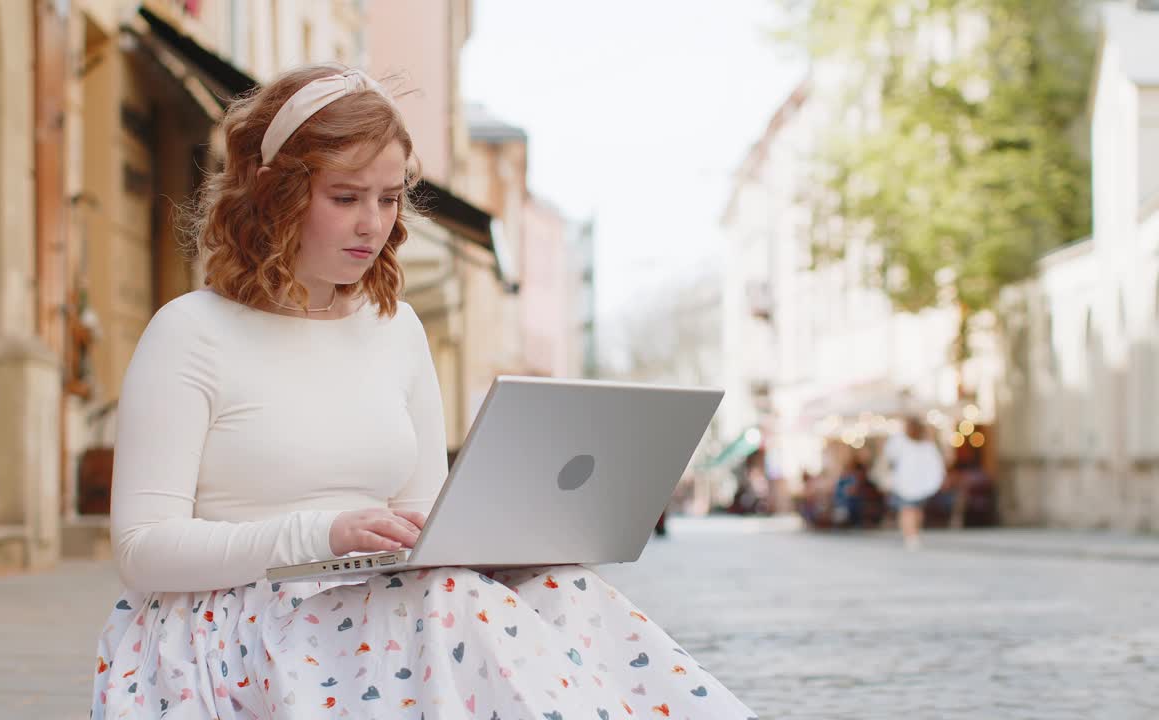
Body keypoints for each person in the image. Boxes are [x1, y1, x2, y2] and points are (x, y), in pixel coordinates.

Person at [89, 63, 756, 720]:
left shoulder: (395, 327)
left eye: (388, 198)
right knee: (450, 605)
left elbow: (424, 517)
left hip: (374, 605)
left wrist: (508, 544)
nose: (372, 224)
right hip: (234, 622)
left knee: (566, 589)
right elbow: (142, 550)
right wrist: (324, 533)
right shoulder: (190, 333)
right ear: (274, 192)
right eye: (345, 197)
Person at [879, 416, 946, 550]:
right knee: (916, 509)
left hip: (905, 482)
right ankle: (914, 534)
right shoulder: (927, 443)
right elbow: (936, 463)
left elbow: (889, 456)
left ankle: (910, 536)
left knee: (907, 509)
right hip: (921, 482)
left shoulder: (900, 441)